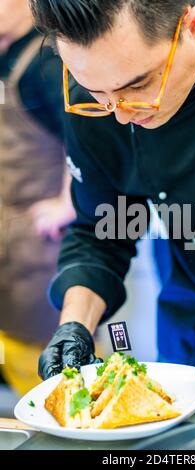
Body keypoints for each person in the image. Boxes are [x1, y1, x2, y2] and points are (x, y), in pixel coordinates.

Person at [30, 0, 195, 407]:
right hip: (193, 334)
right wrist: (75, 325)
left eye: (138, 86)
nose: (118, 115)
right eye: (96, 92)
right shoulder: (96, 92)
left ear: (190, 24)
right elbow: (103, 228)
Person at [0, 0, 75, 395]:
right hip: (10, 235)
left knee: (56, 371)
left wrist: (67, 203)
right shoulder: (8, 53)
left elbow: (80, 136)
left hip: (41, 245)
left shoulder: (47, 59)